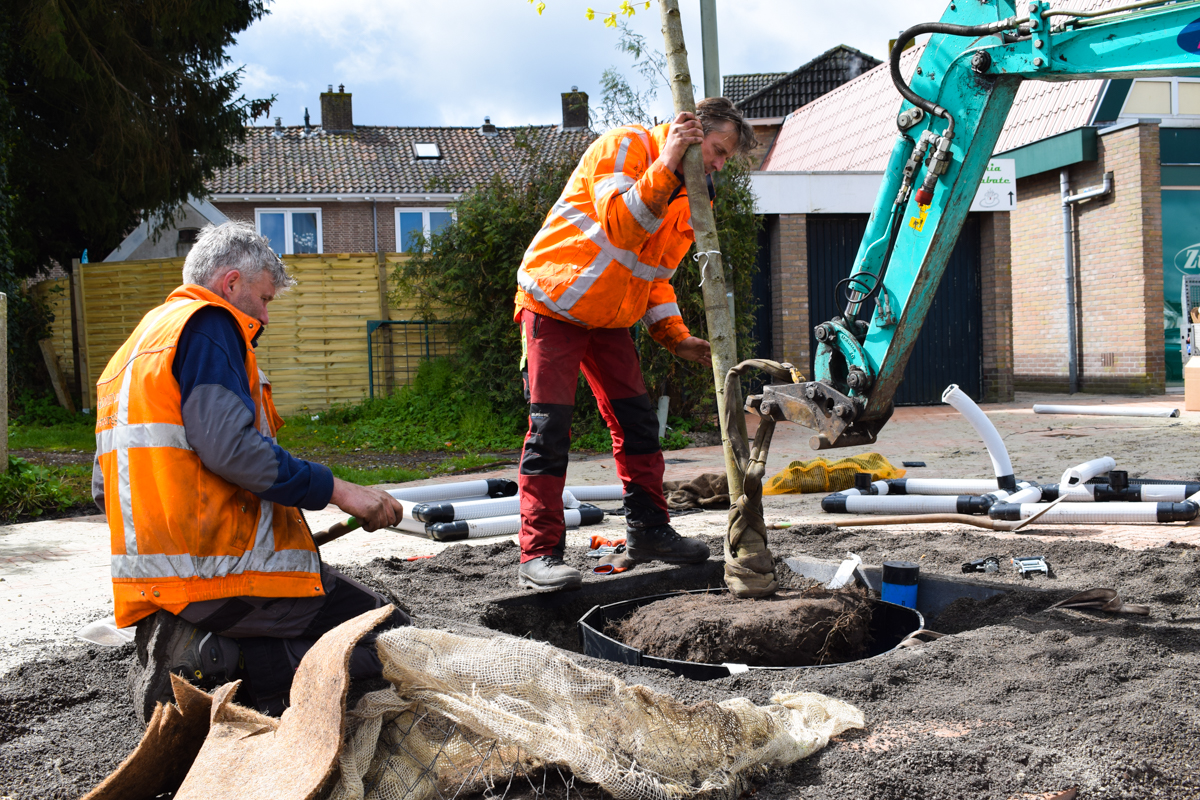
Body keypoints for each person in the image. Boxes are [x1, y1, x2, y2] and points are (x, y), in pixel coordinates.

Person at [93, 221, 408, 721]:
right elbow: (232, 451)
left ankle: (210, 646)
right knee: (388, 632)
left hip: (161, 583)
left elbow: (103, 487)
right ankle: (217, 664)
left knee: (338, 617)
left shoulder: (136, 347)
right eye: (263, 299)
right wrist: (341, 491)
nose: (264, 316)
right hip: (221, 575)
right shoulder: (210, 326)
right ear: (231, 283)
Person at [513, 97, 757, 591]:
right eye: (717, 150)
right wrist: (667, 162)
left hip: (608, 321)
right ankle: (538, 555)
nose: (718, 164)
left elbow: (656, 277)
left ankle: (648, 532)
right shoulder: (625, 146)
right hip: (552, 304)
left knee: (639, 425)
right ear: (688, 131)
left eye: (725, 158)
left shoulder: (692, 198)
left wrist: (675, 336)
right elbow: (622, 224)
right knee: (549, 431)